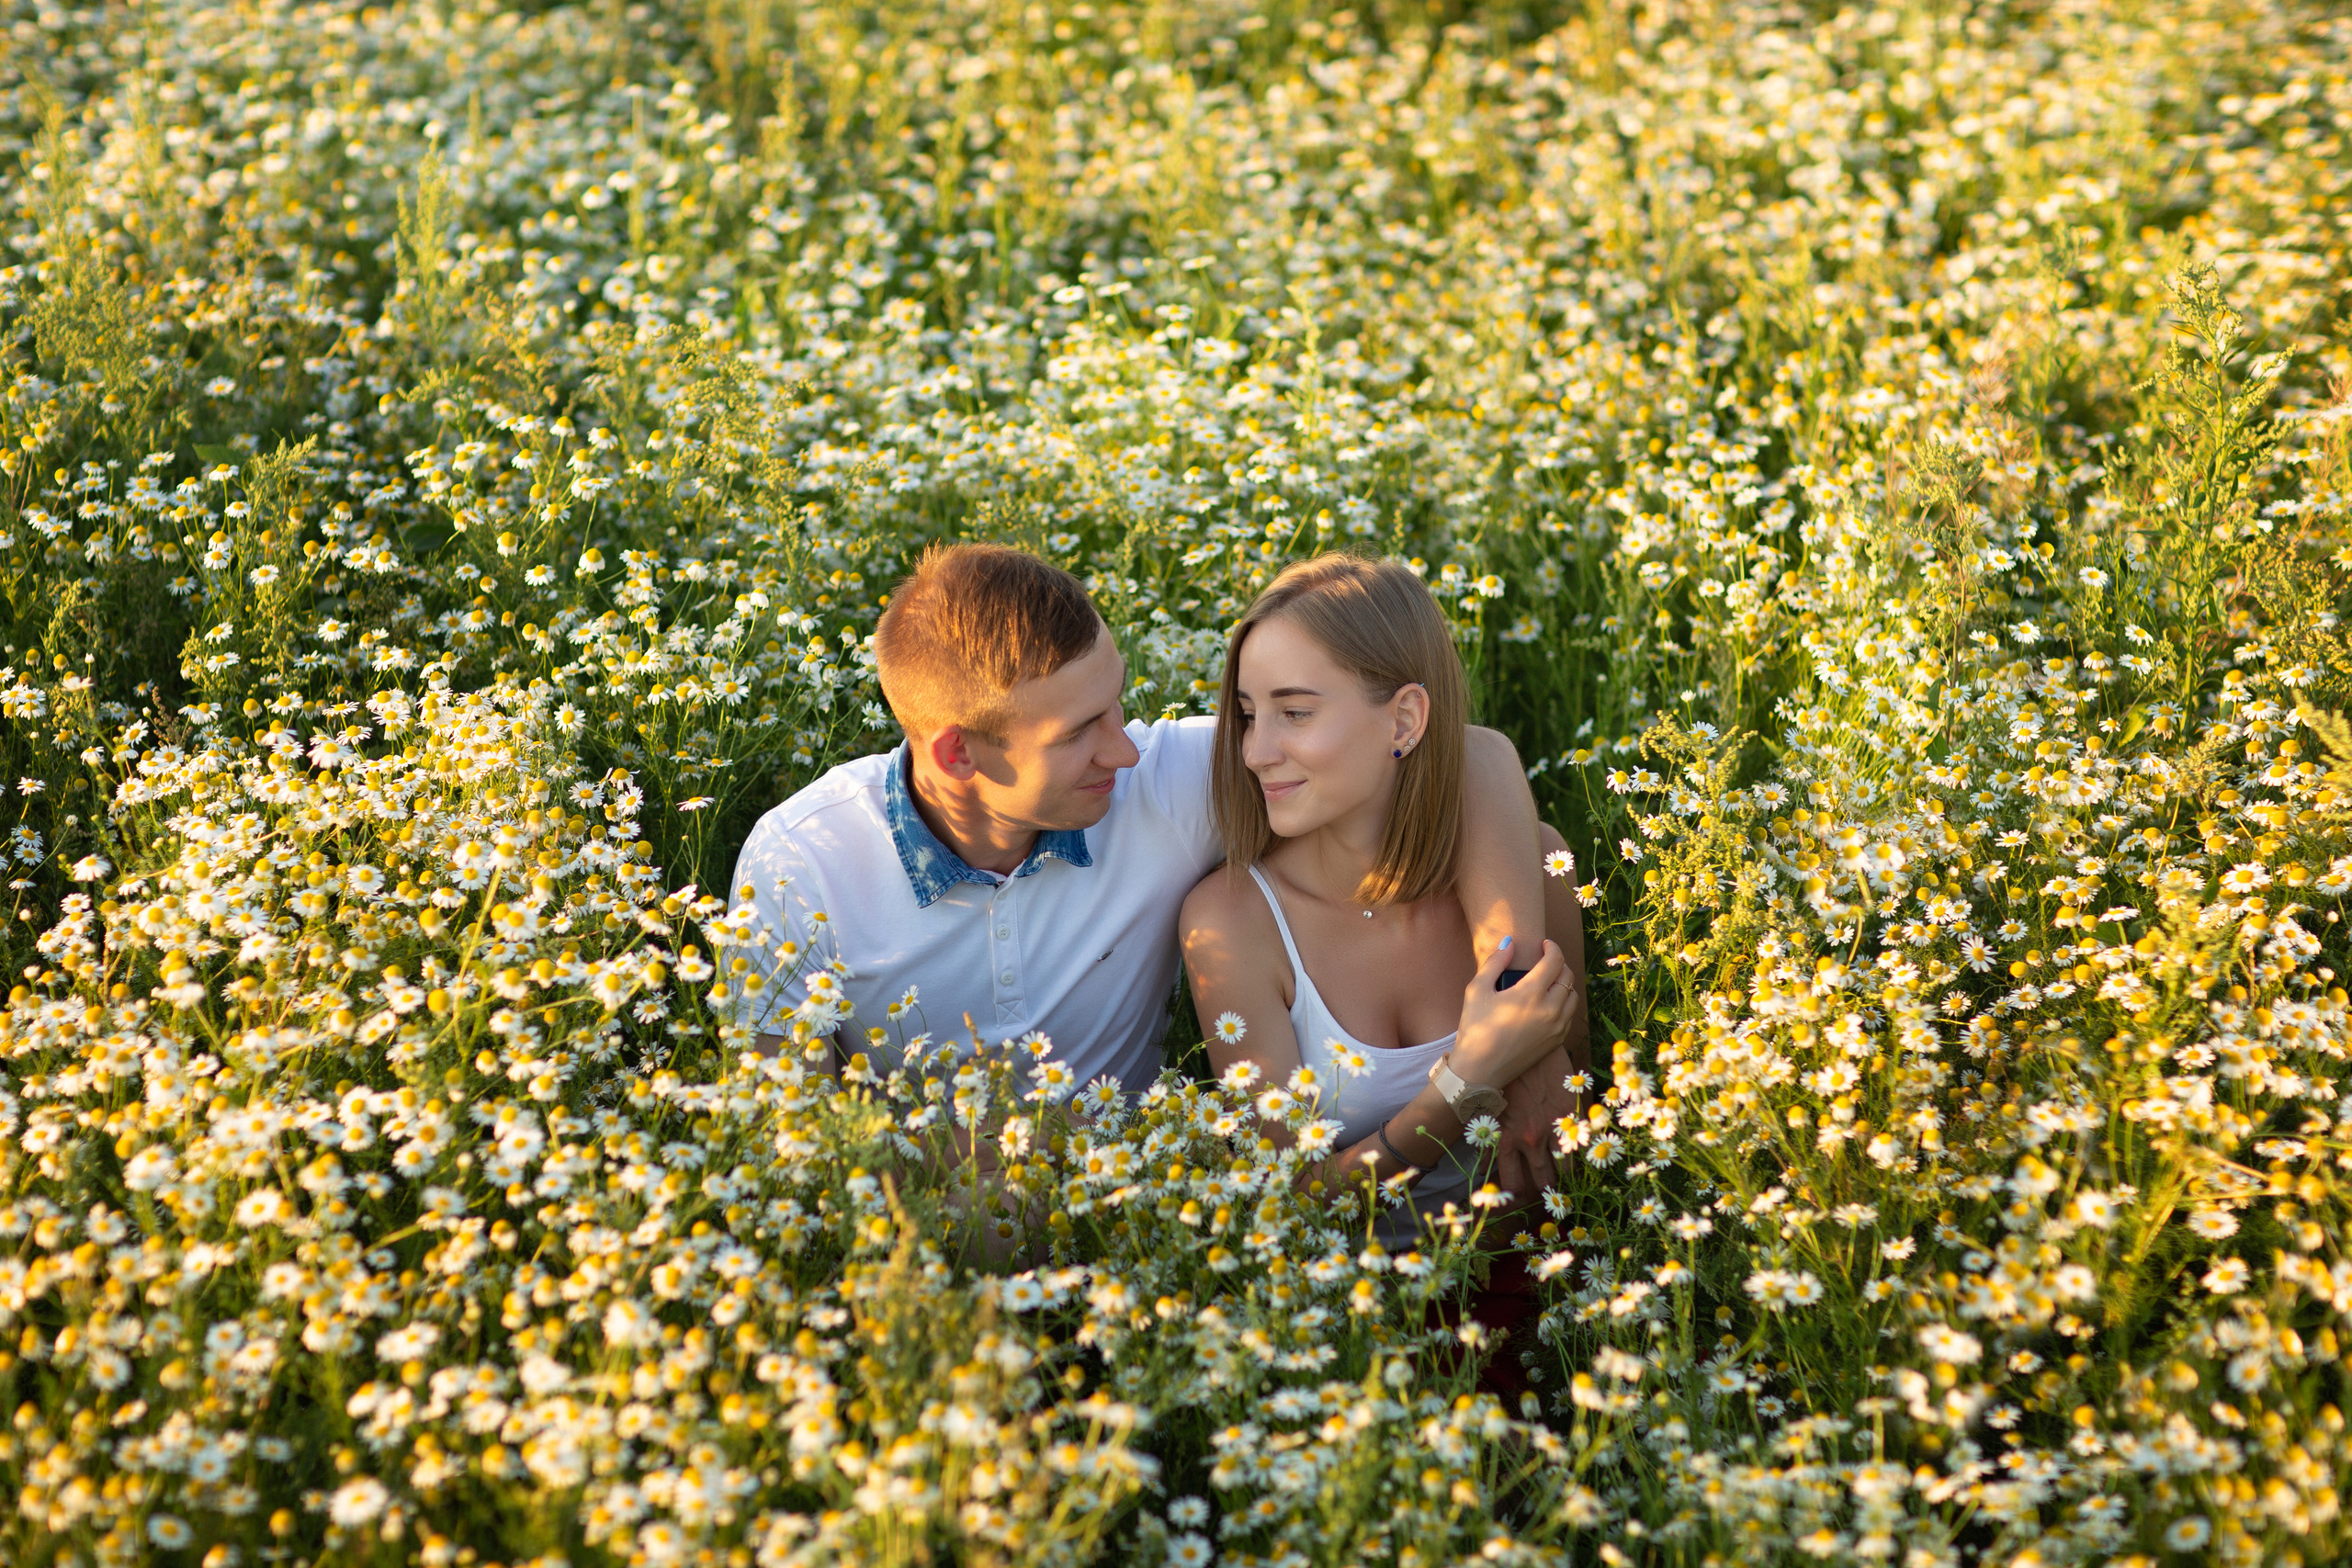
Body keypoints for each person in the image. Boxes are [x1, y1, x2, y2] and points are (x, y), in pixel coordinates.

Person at [726, 543, 1581, 1200]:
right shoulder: (801, 865)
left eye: (1120, 701)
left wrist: (1523, 1016)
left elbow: (1462, 753)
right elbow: (786, 1147)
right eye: (1079, 729)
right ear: (957, 753)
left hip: (1145, 1257)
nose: (1125, 746)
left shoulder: (1153, 789)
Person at [1177, 553, 1590, 1246]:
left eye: (1295, 712)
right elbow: (1287, 1199)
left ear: (1404, 721)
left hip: (1548, 1292)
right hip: (1348, 1322)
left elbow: (1568, 1105)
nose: (1255, 751)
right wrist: (1465, 1083)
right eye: (1249, 715)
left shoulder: (1532, 866)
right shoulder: (1234, 921)